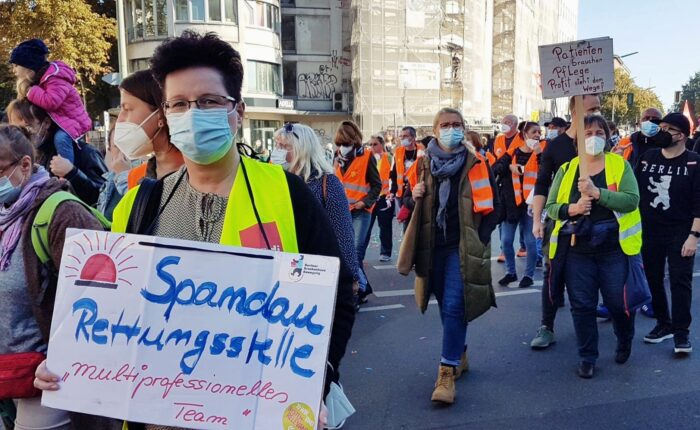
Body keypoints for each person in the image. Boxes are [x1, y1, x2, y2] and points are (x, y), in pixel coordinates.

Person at [34, 31, 355, 429]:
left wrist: (315, 384)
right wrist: (69, 360)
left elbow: (337, 293)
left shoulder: (286, 194)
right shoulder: (138, 206)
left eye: (208, 102)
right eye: (180, 104)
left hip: (259, 415)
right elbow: (108, 317)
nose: (192, 113)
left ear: (238, 112)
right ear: (165, 116)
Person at [0, 125, 117, 429]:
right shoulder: (5, 213)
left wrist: (63, 359)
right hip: (8, 374)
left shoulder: (62, 213)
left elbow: (103, 296)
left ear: (25, 164)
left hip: (50, 381)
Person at [401, 107, 500, 404]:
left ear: (464, 128)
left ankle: (446, 372)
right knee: (446, 305)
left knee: (456, 305)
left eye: (457, 124)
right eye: (445, 124)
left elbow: (495, 206)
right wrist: (413, 195)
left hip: (462, 247)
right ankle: (459, 353)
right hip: (432, 249)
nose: (451, 129)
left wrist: (480, 239)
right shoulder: (422, 164)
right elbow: (405, 203)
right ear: (435, 129)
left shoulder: (477, 162)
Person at [546, 114, 641, 379]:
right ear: (577, 139)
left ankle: (624, 337)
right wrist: (573, 208)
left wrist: (598, 193)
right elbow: (552, 208)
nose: (593, 138)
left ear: (608, 136)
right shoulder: (567, 170)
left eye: (599, 133)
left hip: (613, 249)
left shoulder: (620, 166)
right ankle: (587, 356)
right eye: (587, 134)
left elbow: (631, 200)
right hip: (578, 251)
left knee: (616, 302)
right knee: (582, 305)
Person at [529, 93, 601, 349]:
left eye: (598, 107)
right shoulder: (557, 146)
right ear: (574, 110)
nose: (597, 112)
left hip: (595, 223)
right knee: (552, 275)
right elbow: (541, 184)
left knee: (592, 274)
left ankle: (590, 321)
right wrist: (537, 219)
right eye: (591, 107)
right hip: (560, 223)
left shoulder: (601, 143)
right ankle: (546, 325)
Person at [270, 122, 364, 295]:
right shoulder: (274, 180)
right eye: (276, 145)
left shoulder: (327, 183)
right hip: (281, 270)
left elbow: (343, 234)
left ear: (302, 149)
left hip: (316, 269)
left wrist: (351, 277)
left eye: (284, 146)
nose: (277, 151)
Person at [637, 113, 700, 354]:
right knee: (652, 278)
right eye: (659, 127)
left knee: (679, 282)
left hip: (681, 232)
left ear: (681, 135)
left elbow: (698, 203)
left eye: (668, 128)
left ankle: (681, 333)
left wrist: (694, 236)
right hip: (650, 231)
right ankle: (664, 324)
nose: (661, 132)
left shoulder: (694, 162)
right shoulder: (648, 157)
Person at [6, 98, 107, 206]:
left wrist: (73, 173)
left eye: (27, 127)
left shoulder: (84, 152)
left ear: (46, 123)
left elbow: (105, 198)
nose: (22, 134)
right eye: (15, 129)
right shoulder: (24, 157)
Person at [9, 39, 91, 165]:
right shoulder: (41, 80)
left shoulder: (55, 78)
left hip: (73, 121)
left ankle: (66, 169)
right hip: (62, 119)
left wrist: (30, 91)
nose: (13, 70)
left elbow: (51, 102)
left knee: (60, 139)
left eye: (16, 66)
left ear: (28, 68)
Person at [492, 121, 544, 288]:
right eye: (534, 132)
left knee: (530, 242)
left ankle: (528, 275)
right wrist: (509, 166)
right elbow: (495, 168)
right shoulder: (512, 152)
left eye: (539, 132)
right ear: (524, 134)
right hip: (511, 204)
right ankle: (511, 272)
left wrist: (539, 155)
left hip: (531, 205)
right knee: (506, 241)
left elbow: (548, 174)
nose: (537, 135)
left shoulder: (542, 153)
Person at [114, 70, 184, 188]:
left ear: (161, 114)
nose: (119, 120)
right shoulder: (136, 177)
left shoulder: (198, 174)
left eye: (127, 109)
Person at [334, 120, 381, 268]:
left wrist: (365, 202)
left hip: (360, 211)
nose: (343, 147)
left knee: (356, 250)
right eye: (341, 143)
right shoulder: (337, 156)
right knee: (341, 250)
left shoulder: (366, 156)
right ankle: (348, 284)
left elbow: (377, 185)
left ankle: (358, 285)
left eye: (347, 144)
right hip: (341, 211)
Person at [362, 134, 394, 262]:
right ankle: (360, 253)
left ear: (381, 145)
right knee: (366, 227)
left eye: (375, 144)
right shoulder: (366, 159)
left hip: (384, 198)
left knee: (385, 226)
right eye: (370, 144)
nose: (372, 147)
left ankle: (385, 252)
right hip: (370, 198)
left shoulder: (389, 158)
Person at [391, 126, 424, 229]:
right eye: (401, 136)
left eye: (405, 136)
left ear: (413, 137)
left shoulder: (422, 149)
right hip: (403, 193)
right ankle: (407, 241)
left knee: (419, 219)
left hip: (417, 189)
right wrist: (393, 191)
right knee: (406, 221)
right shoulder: (398, 151)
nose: (402, 138)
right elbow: (394, 172)